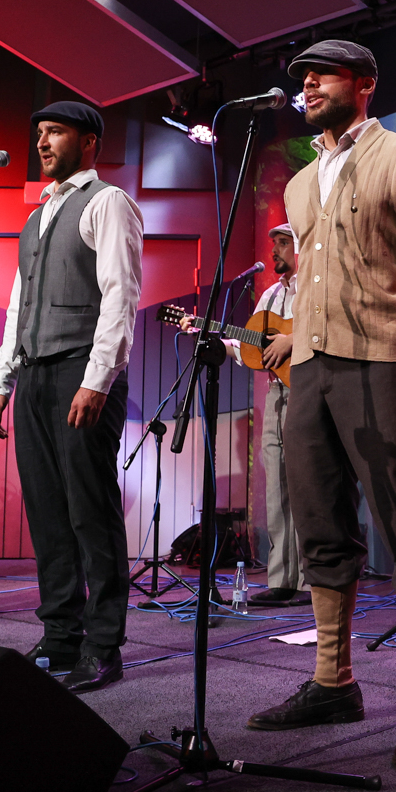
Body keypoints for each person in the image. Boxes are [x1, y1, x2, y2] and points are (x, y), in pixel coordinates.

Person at [245, 40, 396, 769]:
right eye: (302, 77)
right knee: (319, 521)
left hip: (385, 362)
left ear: (365, 82)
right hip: (309, 370)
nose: (308, 84)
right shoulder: (299, 184)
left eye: (324, 73)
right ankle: (333, 681)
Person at [0, 100, 143, 692]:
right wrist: (2, 381)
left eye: (55, 132)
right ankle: (59, 636)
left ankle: (103, 644)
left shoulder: (107, 202)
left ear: (89, 141)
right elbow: (18, 307)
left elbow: (120, 295)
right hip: (34, 374)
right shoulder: (37, 217)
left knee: (90, 511)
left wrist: (97, 379)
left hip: (81, 369)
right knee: (48, 511)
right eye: (40, 133)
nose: (43, 142)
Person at [178, 223, 307, 607]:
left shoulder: (315, 291)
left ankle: (311, 582)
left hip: (309, 395)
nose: (275, 250)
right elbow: (251, 349)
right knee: (277, 489)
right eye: (274, 244)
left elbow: (325, 332)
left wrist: (291, 340)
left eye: (283, 243)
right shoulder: (269, 296)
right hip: (277, 395)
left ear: (301, 247)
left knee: (307, 488)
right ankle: (282, 580)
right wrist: (210, 335)